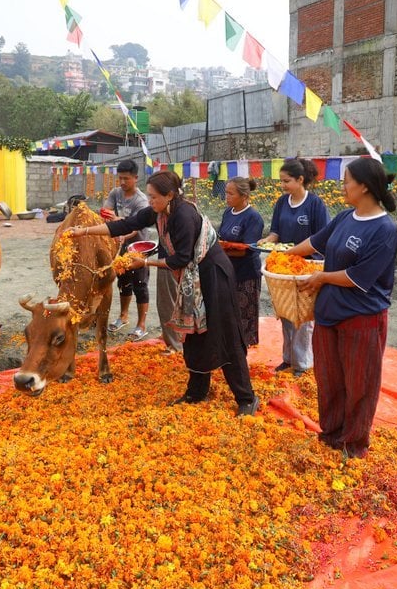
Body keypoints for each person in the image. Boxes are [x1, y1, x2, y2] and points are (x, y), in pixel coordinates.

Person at [70, 171, 258, 416]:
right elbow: (127, 224)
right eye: (148, 197)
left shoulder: (183, 215)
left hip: (213, 277)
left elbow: (180, 259)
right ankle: (197, 391)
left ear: (170, 195)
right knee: (193, 333)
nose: (150, 201)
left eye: (154, 197)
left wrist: (143, 263)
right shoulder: (160, 211)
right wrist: (84, 232)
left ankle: (246, 397)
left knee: (224, 334)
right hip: (193, 277)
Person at [287, 157, 397, 459]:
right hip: (329, 314)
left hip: (361, 317)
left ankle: (354, 443)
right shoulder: (346, 217)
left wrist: (322, 276)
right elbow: (315, 242)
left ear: (363, 186)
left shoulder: (385, 229)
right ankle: (332, 433)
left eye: (346, 180)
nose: (342, 185)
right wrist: (280, 256)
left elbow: (359, 277)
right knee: (330, 379)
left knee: (359, 383)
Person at [261, 157, 330, 375]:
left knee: (303, 316)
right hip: (283, 265)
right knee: (286, 311)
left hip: (307, 266)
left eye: (286, 181)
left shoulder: (315, 204)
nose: (282, 186)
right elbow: (275, 232)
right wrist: (267, 241)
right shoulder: (282, 202)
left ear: (300, 180)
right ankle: (288, 359)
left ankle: (302, 363)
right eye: (281, 181)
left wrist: (301, 252)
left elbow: (323, 238)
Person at [101, 160, 152, 342]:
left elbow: (136, 228)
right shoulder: (116, 193)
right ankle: (123, 316)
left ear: (135, 178)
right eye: (120, 178)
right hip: (121, 246)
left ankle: (142, 325)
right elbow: (106, 210)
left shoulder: (141, 201)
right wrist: (108, 218)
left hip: (138, 248)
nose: (122, 182)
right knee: (123, 282)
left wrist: (119, 224)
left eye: (126, 178)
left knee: (140, 285)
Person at [217, 177, 265, 350]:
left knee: (244, 315)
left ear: (244, 196)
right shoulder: (228, 212)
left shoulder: (253, 217)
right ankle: (229, 347)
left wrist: (220, 250)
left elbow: (246, 250)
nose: (226, 197)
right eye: (226, 192)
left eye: (231, 193)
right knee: (227, 312)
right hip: (227, 270)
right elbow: (221, 238)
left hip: (246, 274)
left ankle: (241, 350)